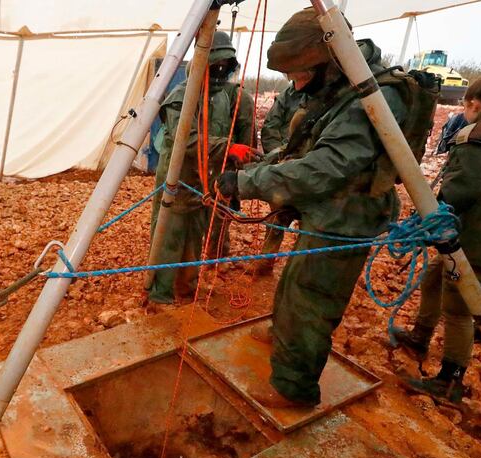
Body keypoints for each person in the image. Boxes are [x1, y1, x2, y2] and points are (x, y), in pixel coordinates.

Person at [217, 9, 408, 407]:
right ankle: (284, 336)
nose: (294, 83)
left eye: (298, 74)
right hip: (328, 210)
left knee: (312, 301)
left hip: (347, 219)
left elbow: (326, 167)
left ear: (326, 61)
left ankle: (293, 389)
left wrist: (249, 182)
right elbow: (303, 150)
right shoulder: (340, 89)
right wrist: (256, 170)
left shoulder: (371, 95)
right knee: (295, 283)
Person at [393, 67, 481, 403]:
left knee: (460, 308)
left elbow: (461, 190)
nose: (465, 110)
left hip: (471, 239)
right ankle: (420, 335)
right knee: (434, 280)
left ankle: (451, 380)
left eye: (467, 103)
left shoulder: (479, 138)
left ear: (477, 104)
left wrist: (429, 213)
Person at [148, 31, 255, 305]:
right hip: (178, 181)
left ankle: (187, 290)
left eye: (225, 65)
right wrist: (228, 147)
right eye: (215, 64)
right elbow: (187, 139)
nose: (220, 70)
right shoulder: (181, 96)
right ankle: (160, 296)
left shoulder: (221, 97)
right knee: (169, 238)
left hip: (203, 183)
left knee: (195, 239)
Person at [256, 83, 308, 275]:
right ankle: (266, 261)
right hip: (285, 167)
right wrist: (280, 159)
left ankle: (300, 270)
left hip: (314, 170)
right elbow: (270, 127)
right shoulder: (289, 95)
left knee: (309, 224)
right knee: (277, 219)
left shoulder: (332, 93)